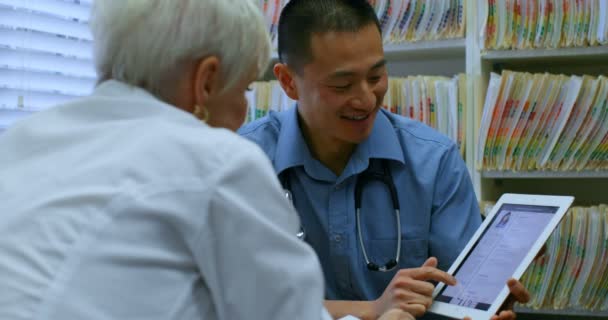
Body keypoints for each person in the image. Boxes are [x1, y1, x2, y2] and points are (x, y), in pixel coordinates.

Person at [0, 1, 412, 319]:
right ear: (206, 81)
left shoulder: (23, 140)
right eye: (246, 87)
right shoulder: (218, 163)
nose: (242, 112)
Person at [239, 0, 529, 319]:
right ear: (288, 82)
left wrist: (486, 305)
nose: (365, 99)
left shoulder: (433, 161)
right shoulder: (244, 162)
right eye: (342, 85)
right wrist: (372, 310)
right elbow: (239, 301)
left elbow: (459, 293)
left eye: (376, 77)